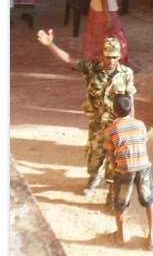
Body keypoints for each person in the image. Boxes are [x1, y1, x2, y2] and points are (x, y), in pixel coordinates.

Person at [37, 31, 136, 196]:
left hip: (116, 125)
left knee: (115, 157)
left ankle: (112, 189)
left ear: (119, 56)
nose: (111, 61)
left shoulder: (126, 73)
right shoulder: (92, 68)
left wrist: (130, 123)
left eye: (114, 57)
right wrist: (50, 45)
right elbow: (69, 61)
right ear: (102, 55)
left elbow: (130, 99)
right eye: (107, 57)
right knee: (94, 154)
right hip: (97, 123)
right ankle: (93, 177)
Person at [103, 94, 153, 250]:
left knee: (119, 204)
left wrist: (115, 174)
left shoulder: (109, 130)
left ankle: (120, 236)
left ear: (114, 110)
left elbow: (111, 157)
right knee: (149, 200)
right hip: (143, 167)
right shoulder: (140, 125)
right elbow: (143, 147)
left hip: (123, 170)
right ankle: (151, 237)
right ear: (130, 108)